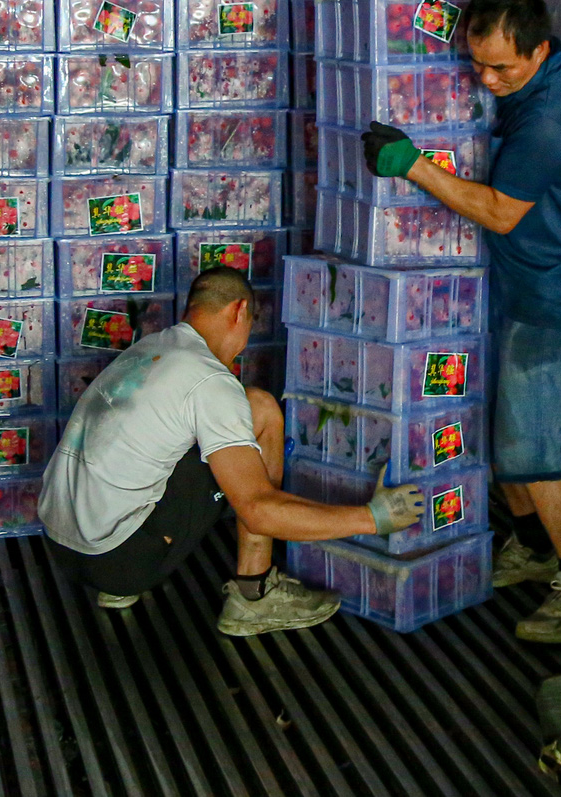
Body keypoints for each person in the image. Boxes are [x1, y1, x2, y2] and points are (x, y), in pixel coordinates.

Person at [361, 0, 561, 644]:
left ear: (539, 50)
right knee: (507, 438)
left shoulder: (549, 122)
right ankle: (531, 545)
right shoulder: (538, 78)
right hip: (514, 281)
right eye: (478, 63)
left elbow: (501, 211)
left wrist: (413, 164)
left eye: (502, 67)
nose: (486, 79)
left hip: (549, 298)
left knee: (533, 448)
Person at [41, 266, 424, 635]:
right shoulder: (209, 380)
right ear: (240, 311)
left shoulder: (153, 347)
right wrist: (374, 518)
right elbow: (257, 510)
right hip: (116, 559)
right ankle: (253, 593)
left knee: (243, 408)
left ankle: (121, 578)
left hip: (61, 551)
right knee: (261, 413)